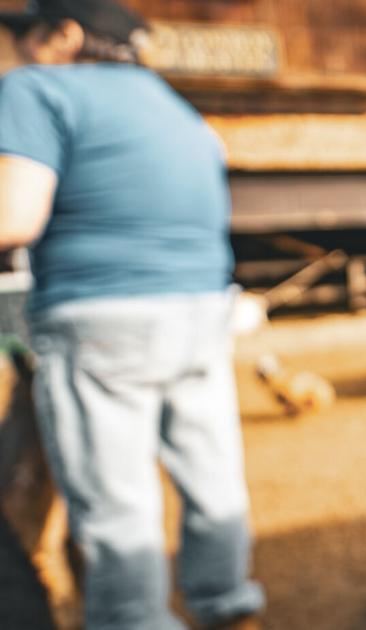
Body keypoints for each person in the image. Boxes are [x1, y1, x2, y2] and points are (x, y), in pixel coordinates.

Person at [0, 1, 264, 628]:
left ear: (64, 35)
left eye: (27, 37)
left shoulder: (36, 88)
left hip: (100, 314)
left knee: (117, 507)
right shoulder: (179, 109)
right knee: (213, 480)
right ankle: (228, 607)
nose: (19, 52)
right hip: (201, 310)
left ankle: (132, 620)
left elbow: (16, 215)